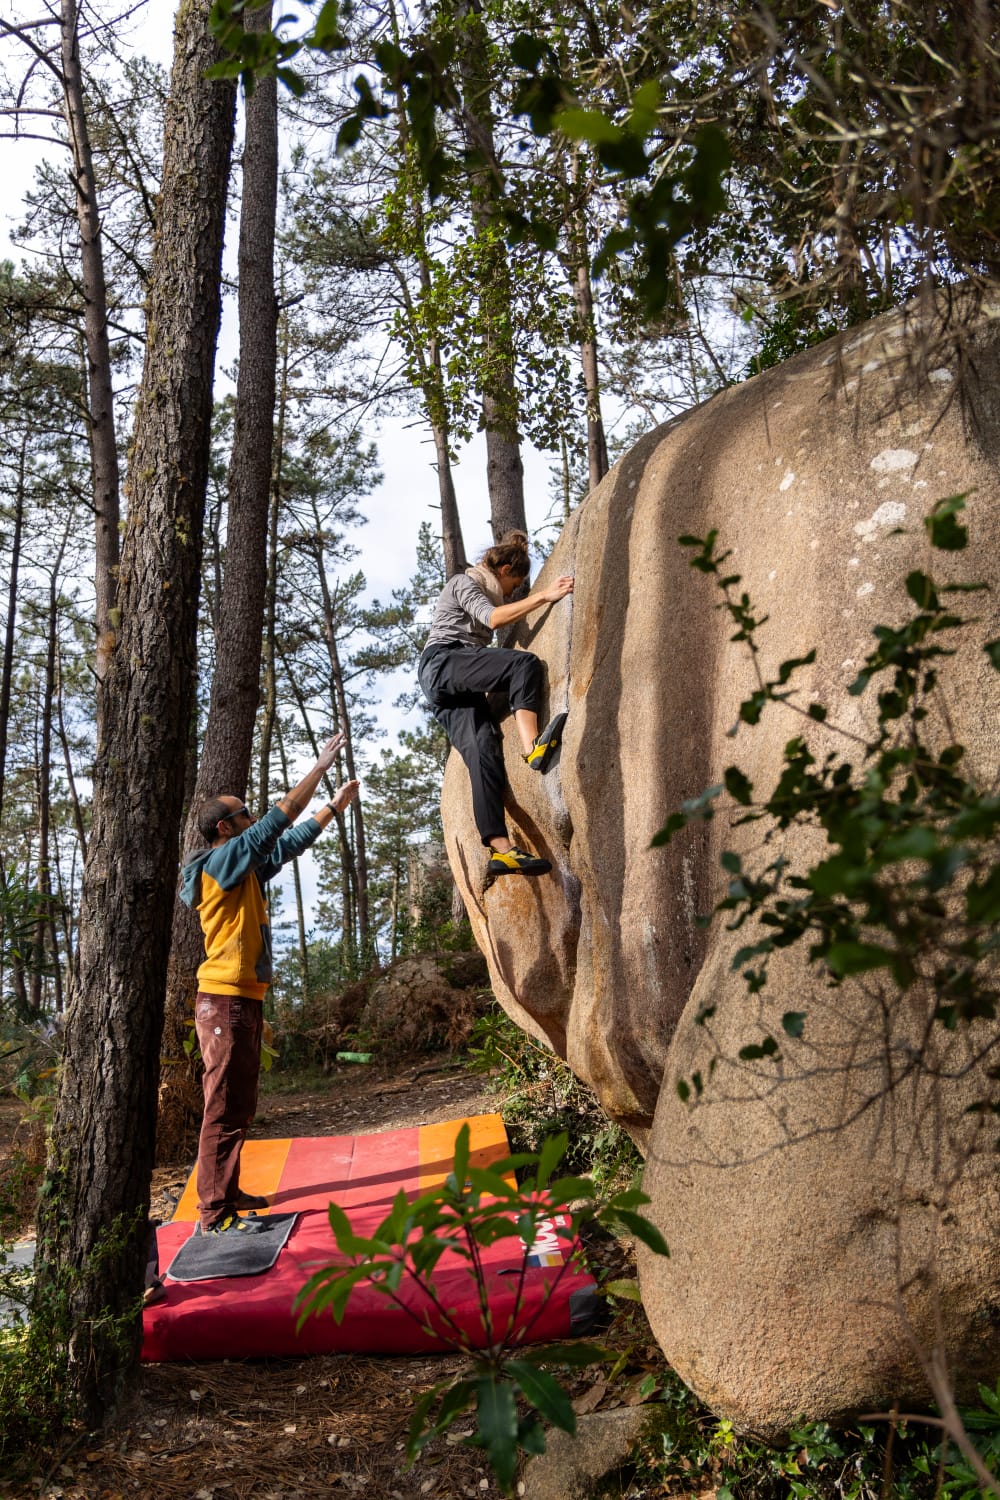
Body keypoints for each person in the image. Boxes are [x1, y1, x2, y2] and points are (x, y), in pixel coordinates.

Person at [180, 732, 359, 1234]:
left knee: (239, 1103)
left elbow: (288, 840)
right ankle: (214, 1214)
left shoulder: (245, 870)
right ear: (224, 828)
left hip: (242, 999)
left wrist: (333, 807)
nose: (252, 819)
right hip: (224, 999)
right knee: (222, 1105)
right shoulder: (221, 864)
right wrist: (320, 767)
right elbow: (278, 820)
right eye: (243, 816)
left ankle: (228, 1192)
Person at [418, 530, 574, 879]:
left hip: (449, 686)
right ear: (504, 569)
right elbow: (492, 619)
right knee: (524, 664)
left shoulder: (480, 585)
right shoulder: (465, 582)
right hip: (444, 661)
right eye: (514, 584)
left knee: (482, 751)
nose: (512, 593)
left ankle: (502, 850)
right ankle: (533, 747)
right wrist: (547, 596)